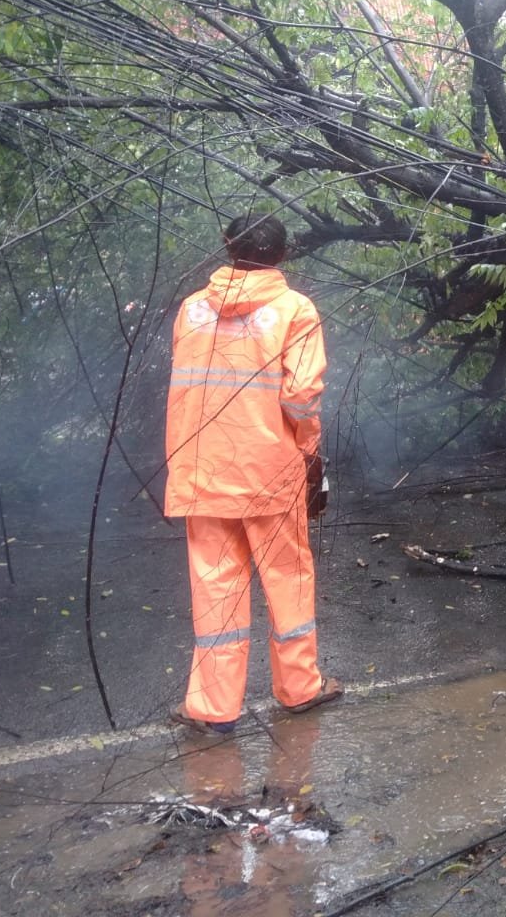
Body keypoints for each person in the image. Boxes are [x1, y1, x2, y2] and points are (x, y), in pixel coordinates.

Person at [163, 213, 342, 734]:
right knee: (287, 579)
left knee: (215, 586)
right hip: (269, 472)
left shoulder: (192, 310)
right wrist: (308, 453)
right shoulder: (295, 310)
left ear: (227, 244)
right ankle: (300, 689)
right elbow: (301, 397)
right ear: (284, 253)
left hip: (201, 469)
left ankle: (212, 709)